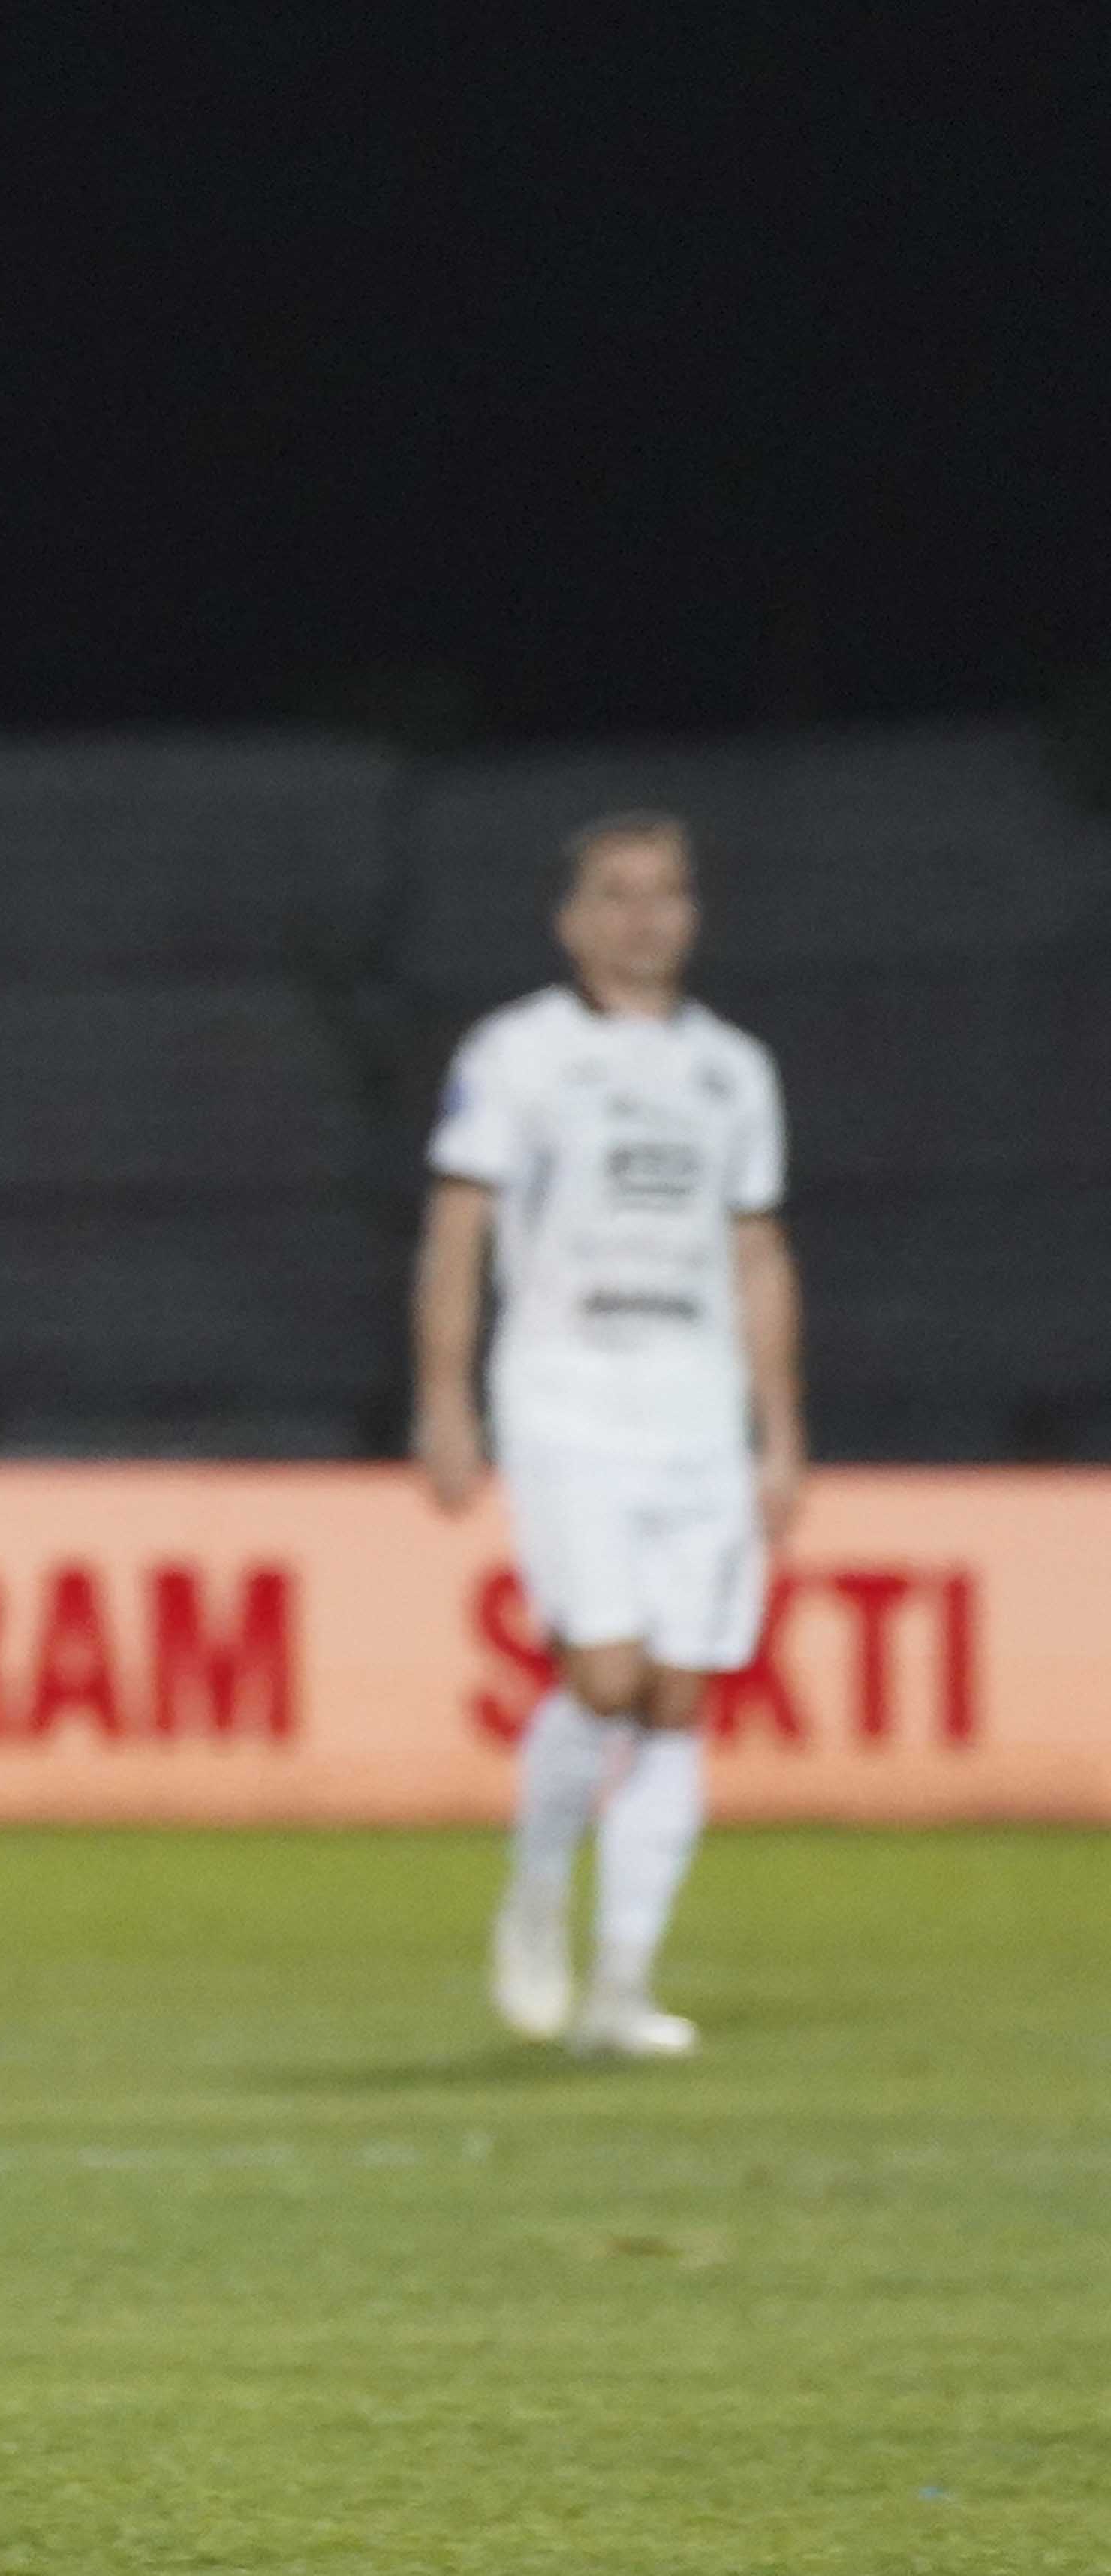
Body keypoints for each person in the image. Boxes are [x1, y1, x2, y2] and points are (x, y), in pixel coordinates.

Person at [416, 810, 803, 2060]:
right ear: (571, 918)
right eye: (619, 896)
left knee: (684, 1695)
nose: (648, 918)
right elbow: (461, 1228)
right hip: (567, 1391)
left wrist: (780, 1432)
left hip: (695, 1403)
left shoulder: (733, 1071)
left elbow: (756, 1249)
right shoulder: (519, 1054)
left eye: (669, 894)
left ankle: (621, 1986)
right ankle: (538, 1899)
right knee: (606, 1675)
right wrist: (443, 1395)